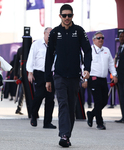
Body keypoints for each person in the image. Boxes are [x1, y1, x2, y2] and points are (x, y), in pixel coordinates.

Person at [45, 4, 92, 147]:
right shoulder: (55, 33)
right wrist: (48, 79)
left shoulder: (79, 31)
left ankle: (67, 136)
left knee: (71, 107)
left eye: (69, 15)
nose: (67, 18)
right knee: (63, 104)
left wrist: (87, 69)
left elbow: (88, 51)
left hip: (74, 76)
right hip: (59, 76)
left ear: (72, 16)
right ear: (60, 16)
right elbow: (49, 57)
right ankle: (64, 135)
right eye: (64, 15)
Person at [26, 27, 56, 129]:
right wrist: (30, 72)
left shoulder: (55, 45)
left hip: (51, 74)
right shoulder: (36, 44)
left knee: (50, 98)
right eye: (49, 34)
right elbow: (31, 58)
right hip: (39, 73)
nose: (50, 36)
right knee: (39, 95)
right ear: (44, 33)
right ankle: (33, 115)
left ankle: (47, 122)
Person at [87, 31, 118, 130]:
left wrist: (114, 75)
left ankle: (91, 114)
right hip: (93, 78)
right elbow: (84, 65)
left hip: (103, 79)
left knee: (104, 100)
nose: (101, 40)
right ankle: (99, 123)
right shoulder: (89, 50)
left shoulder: (106, 50)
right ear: (94, 40)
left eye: (102, 38)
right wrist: (84, 79)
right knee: (98, 101)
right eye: (99, 38)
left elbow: (110, 64)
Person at [114, 31, 124, 123]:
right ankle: (123, 116)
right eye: (120, 37)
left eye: (123, 37)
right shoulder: (120, 48)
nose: (121, 38)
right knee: (121, 98)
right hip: (120, 78)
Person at [14, 46, 24, 115]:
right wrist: (15, 74)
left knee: (22, 92)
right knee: (22, 92)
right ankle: (19, 108)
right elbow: (16, 62)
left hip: (22, 73)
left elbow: (16, 63)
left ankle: (19, 108)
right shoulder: (21, 50)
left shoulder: (20, 49)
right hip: (23, 73)